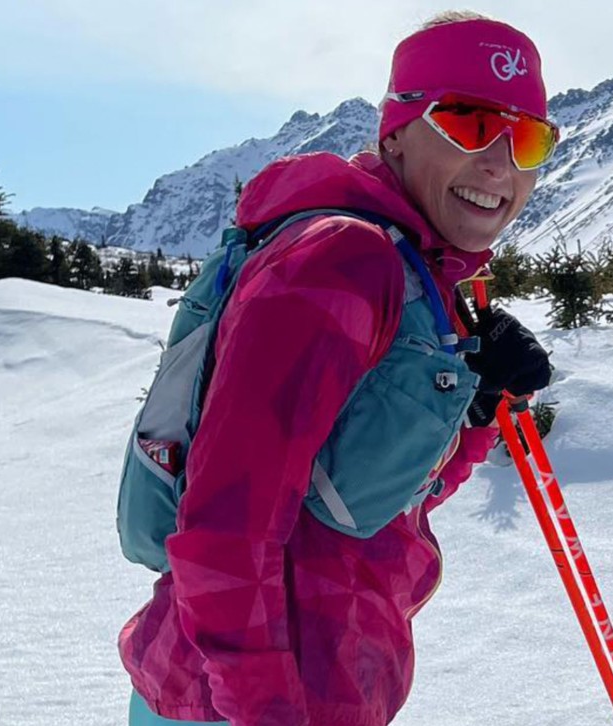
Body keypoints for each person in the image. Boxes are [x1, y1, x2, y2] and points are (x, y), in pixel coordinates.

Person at [119, 13, 558, 725]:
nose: (501, 164)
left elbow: (370, 504)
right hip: (237, 705)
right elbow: (226, 527)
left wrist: (474, 414)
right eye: (469, 124)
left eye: (530, 139)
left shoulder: (414, 271)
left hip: (307, 691)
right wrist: (267, 711)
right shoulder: (340, 264)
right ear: (396, 130)